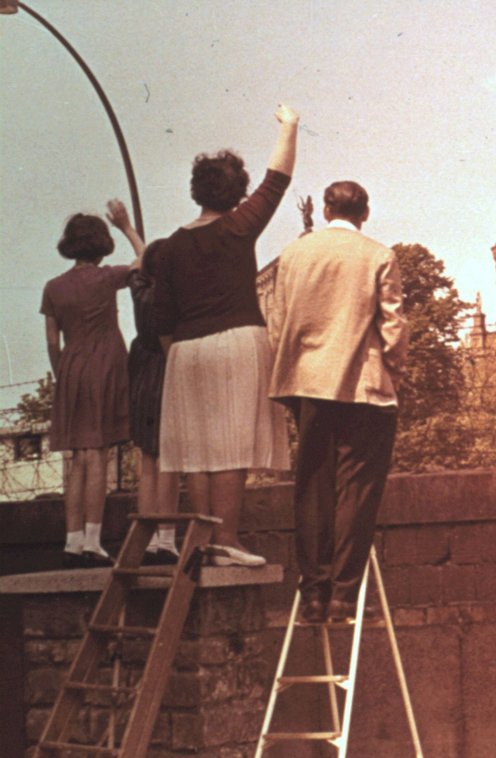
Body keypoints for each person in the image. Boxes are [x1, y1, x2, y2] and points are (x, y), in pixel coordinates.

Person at [154, 105, 299, 566]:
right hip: (235, 342)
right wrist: (290, 126)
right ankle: (228, 540)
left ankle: (200, 541)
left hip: (185, 352)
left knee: (198, 451)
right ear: (236, 193)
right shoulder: (238, 227)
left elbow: (160, 317)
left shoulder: (171, 245)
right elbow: (278, 179)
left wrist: (179, 355)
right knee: (232, 445)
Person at [268, 181, 408, 623]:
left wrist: (288, 366)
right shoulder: (378, 255)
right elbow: (393, 325)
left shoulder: (294, 254)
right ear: (365, 213)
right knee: (357, 488)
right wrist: (395, 371)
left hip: (307, 383)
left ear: (326, 209)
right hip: (364, 386)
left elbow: (276, 318)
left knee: (311, 487)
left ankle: (313, 591)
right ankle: (345, 596)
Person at [41, 202, 144, 567]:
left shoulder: (53, 287)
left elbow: (53, 342)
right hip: (106, 363)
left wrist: (62, 373)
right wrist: (128, 228)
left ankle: (72, 539)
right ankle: (93, 540)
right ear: (100, 244)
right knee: (98, 453)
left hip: (72, 366)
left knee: (78, 458)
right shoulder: (107, 277)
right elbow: (147, 263)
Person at [127, 238, 181, 564]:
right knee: (169, 463)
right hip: (166, 373)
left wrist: (129, 231)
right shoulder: (172, 300)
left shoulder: (138, 290)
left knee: (147, 461)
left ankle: (147, 539)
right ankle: (167, 537)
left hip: (142, 375)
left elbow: (138, 261)